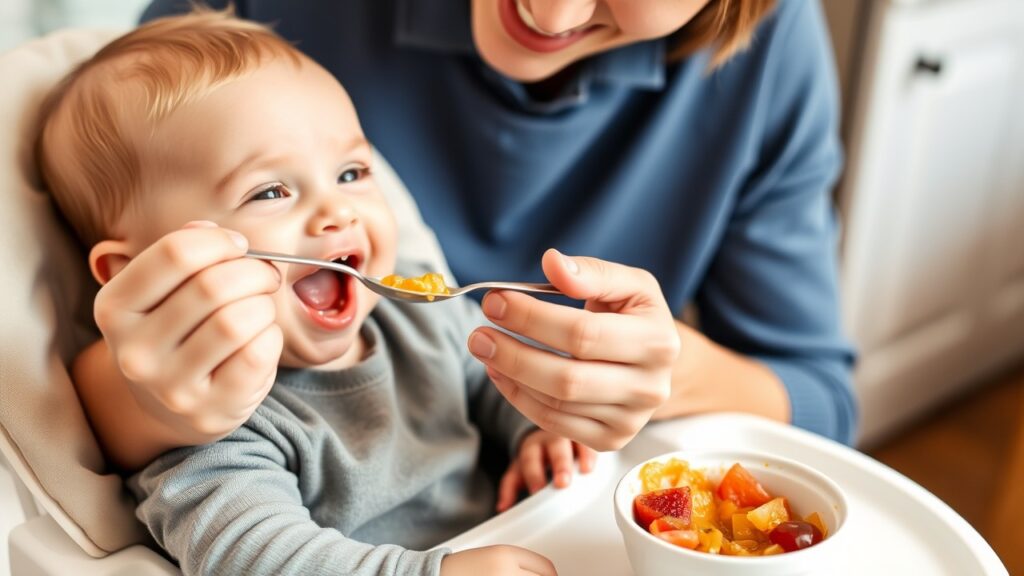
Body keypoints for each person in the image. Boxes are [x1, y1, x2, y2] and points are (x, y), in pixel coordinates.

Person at [128, 0, 859, 450]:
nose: (551, 13)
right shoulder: (193, 56)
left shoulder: (766, 53)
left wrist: (669, 378)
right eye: (275, 190)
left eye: (356, 173)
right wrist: (149, 406)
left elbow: (822, 401)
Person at [37, 10, 603, 574]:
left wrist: (537, 431)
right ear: (139, 270)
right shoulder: (214, 421)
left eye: (352, 173)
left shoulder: (421, 317)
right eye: (270, 191)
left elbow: (493, 385)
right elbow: (256, 557)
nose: (337, 211)